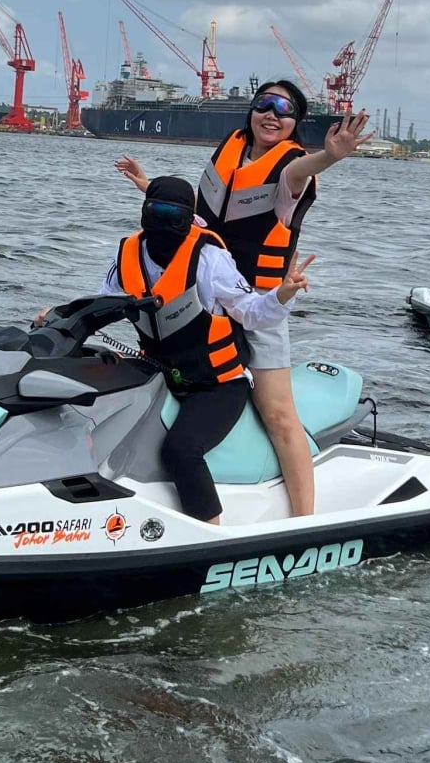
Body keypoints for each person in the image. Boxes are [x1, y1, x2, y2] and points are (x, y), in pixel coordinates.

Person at [114, 80, 373, 517]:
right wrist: (149, 188)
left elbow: (300, 172)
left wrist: (330, 156)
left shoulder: (289, 167)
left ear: (295, 123)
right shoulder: (229, 152)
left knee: (277, 414)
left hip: (261, 302)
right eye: (264, 104)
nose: (272, 114)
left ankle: (304, 521)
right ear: (250, 111)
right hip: (212, 298)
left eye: (284, 109)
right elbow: (202, 218)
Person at [38, 176, 313, 525]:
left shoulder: (211, 260)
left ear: (189, 218)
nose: (165, 223)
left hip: (218, 384)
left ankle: (210, 534)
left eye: (174, 215)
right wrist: (58, 318)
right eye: (157, 212)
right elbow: (102, 306)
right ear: (143, 213)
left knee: (181, 451)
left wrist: (282, 294)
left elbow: (252, 313)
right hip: (160, 372)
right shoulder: (128, 255)